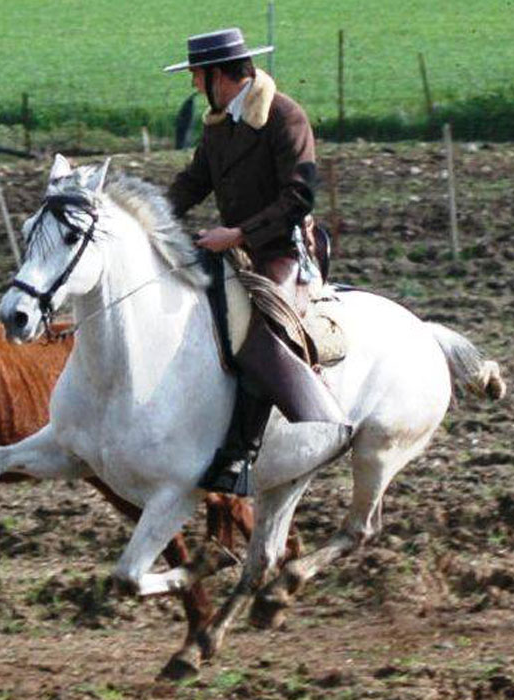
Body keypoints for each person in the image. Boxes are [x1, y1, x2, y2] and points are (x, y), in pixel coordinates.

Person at [163, 28, 350, 493]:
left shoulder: (285, 117)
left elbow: (299, 197)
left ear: (216, 76)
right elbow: (193, 181)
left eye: (195, 75)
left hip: (285, 249)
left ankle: (239, 455)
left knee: (261, 335)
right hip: (236, 245)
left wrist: (239, 234)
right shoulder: (218, 122)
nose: (191, 84)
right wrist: (150, 218)